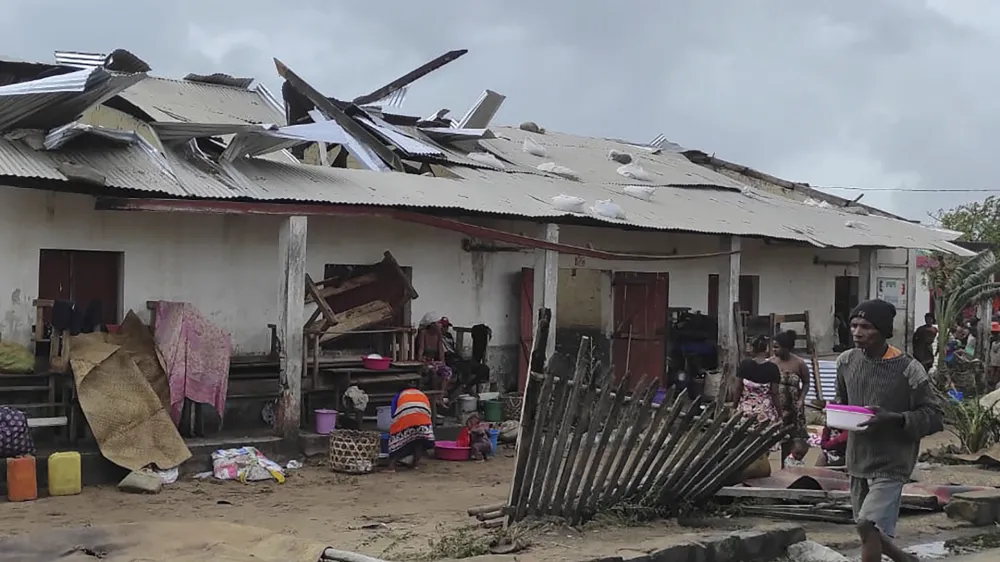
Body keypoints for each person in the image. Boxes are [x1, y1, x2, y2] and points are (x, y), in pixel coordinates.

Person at [836, 299, 943, 562]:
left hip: (893, 459)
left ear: (883, 331)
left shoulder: (909, 369)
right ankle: (904, 559)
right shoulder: (846, 362)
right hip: (858, 458)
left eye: (866, 326)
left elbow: (934, 415)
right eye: (854, 325)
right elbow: (843, 403)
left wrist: (893, 418)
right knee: (866, 528)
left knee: (866, 524)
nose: (857, 332)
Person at [771, 330, 811, 466]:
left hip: (794, 406)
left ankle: (789, 466)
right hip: (778, 406)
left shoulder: (799, 363)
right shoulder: (771, 363)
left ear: (786, 348)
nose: (774, 350)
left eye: (776, 347)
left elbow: (806, 383)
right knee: (780, 437)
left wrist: (801, 399)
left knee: (795, 439)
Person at [733, 335, 781, 425]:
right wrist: (780, 413)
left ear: (752, 349)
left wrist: (734, 406)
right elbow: (774, 393)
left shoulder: (744, 364)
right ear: (766, 349)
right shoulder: (773, 368)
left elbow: (738, 388)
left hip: (745, 410)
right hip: (764, 412)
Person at [386, 388, 436, 472]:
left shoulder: (398, 396)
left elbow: (393, 414)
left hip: (407, 417)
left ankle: (391, 467)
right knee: (418, 441)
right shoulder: (421, 394)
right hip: (423, 420)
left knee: (397, 441)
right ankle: (415, 465)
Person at [416, 315, 453, 407]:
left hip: (434, 362)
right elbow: (420, 351)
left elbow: (441, 353)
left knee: (447, 371)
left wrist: (441, 363)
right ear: (432, 325)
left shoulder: (438, 335)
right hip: (425, 362)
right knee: (433, 371)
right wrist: (425, 361)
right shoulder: (423, 333)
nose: (440, 326)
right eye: (438, 324)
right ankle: (434, 398)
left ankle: (440, 397)